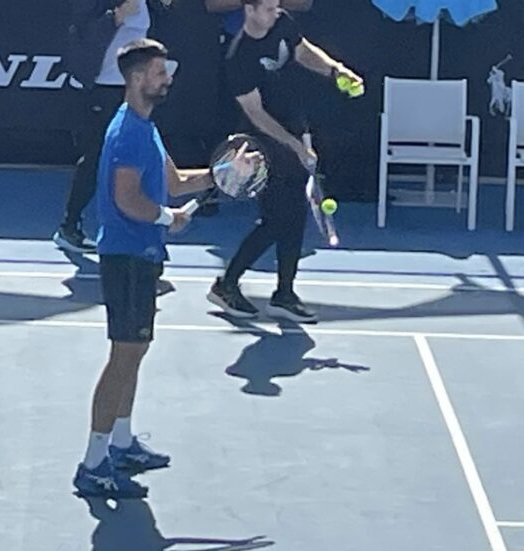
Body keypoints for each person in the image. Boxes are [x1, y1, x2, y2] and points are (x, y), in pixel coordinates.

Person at [73, 38, 217, 499]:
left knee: (134, 353)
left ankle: (121, 442)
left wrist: (222, 172)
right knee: (122, 358)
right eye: (160, 72)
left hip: (142, 257)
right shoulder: (129, 133)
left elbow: (173, 181)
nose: (167, 79)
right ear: (137, 79)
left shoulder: (146, 127)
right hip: (126, 258)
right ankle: (93, 463)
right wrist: (166, 218)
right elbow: (126, 199)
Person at [206, 0, 362, 323]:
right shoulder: (238, 58)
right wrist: (294, 146)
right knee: (277, 220)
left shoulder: (282, 22)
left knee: (294, 216)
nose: (275, 13)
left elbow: (302, 52)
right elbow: (256, 114)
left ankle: (284, 294)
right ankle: (227, 284)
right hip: (261, 144)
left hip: (293, 128)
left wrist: (335, 70)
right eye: (267, 9)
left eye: (276, 7)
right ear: (249, 11)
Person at [55, 0, 172, 253]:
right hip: (100, 88)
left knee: (135, 157)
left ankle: (136, 227)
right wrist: (116, 16)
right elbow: (81, 32)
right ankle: (69, 225)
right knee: (97, 157)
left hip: (131, 87)